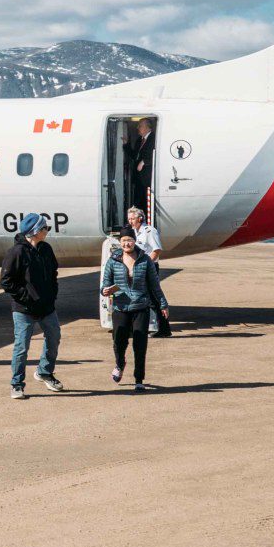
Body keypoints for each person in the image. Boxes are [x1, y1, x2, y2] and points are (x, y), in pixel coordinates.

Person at [0, 213, 64, 398]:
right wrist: (26, 297)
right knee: (21, 347)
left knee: (54, 338)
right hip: (24, 309)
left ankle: (45, 372)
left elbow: (53, 273)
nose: (47, 231)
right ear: (35, 231)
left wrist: (51, 295)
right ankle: (17, 384)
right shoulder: (16, 252)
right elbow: (6, 281)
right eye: (45, 228)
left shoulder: (46, 249)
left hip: (47, 307)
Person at [102, 226, 161, 391]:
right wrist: (105, 290)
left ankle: (139, 379)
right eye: (123, 241)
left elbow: (155, 284)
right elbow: (105, 283)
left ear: (135, 241)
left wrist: (163, 304)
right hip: (120, 307)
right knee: (119, 342)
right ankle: (120, 364)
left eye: (129, 240)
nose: (126, 244)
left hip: (140, 306)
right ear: (119, 242)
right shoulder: (113, 260)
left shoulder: (145, 260)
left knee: (140, 344)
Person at [124, 205, 173, 337]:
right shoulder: (134, 232)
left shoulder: (149, 231)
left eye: (132, 219)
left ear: (140, 218)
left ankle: (164, 329)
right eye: (129, 219)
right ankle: (135, 327)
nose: (130, 221)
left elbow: (156, 250)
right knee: (137, 297)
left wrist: (146, 265)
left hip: (148, 268)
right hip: (138, 268)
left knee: (154, 299)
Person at [124, 117, 157, 221]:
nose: (138, 127)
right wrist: (126, 145)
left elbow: (157, 155)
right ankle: (138, 224)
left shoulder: (155, 139)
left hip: (147, 179)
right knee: (138, 202)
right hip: (139, 178)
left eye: (140, 126)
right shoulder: (139, 140)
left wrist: (144, 162)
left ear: (148, 127)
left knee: (146, 203)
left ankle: (146, 224)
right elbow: (135, 156)